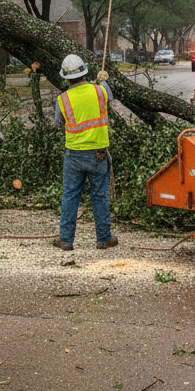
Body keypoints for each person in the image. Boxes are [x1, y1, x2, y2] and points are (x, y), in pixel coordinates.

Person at [52, 54, 118, 251]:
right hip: (98, 153)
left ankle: (65, 240)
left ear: (65, 78)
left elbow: (58, 124)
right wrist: (103, 81)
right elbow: (110, 99)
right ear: (84, 72)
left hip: (74, 154)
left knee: (70, 196)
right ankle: (104, 238)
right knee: (99, 197)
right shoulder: (99, 91)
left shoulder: (62, 99)